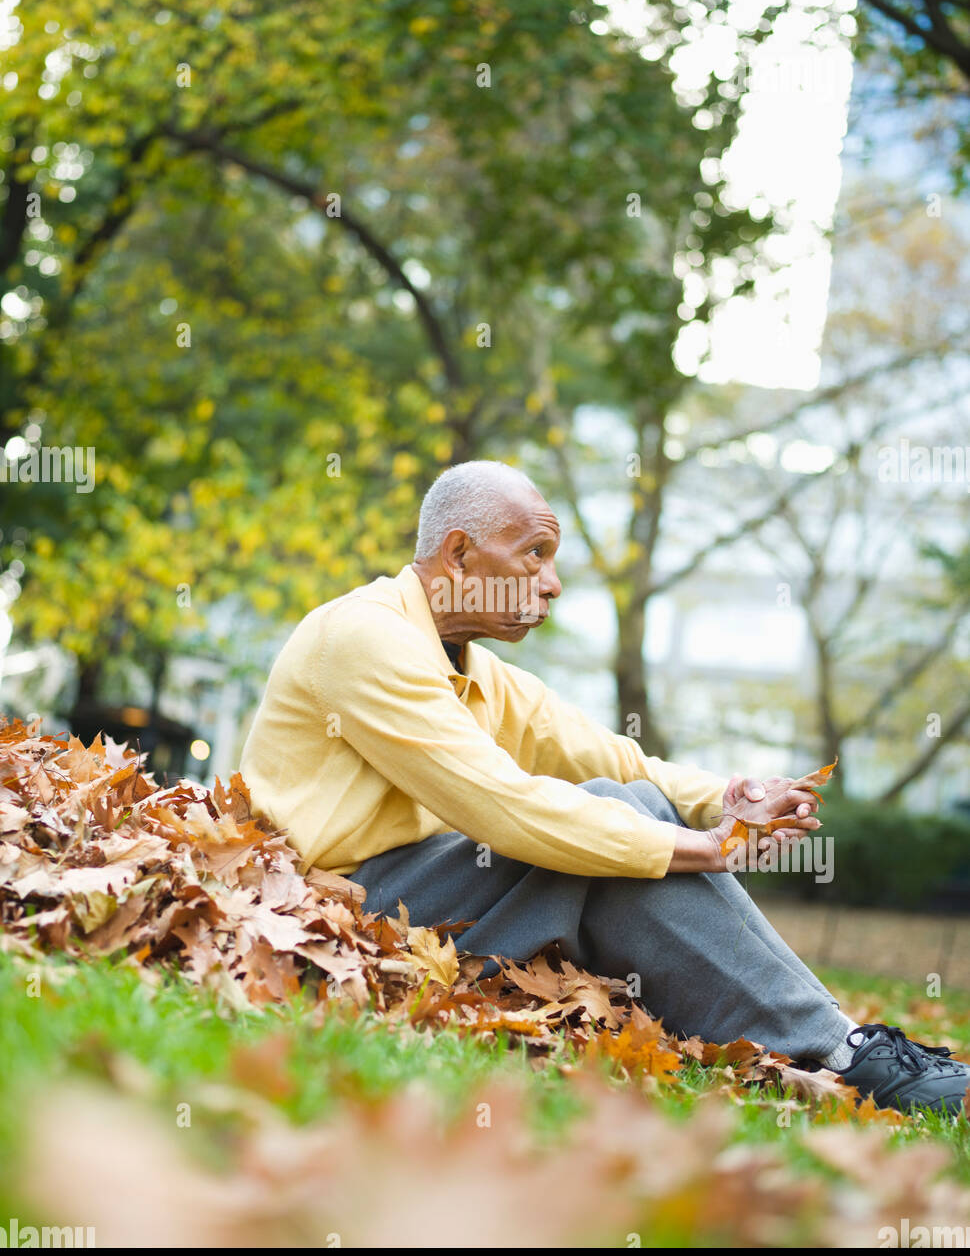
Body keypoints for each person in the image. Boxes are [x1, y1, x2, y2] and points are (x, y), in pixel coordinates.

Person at [240, 460, 969, 1117]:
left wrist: (728, 801)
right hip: (331, 920)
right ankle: (843, 1051)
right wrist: (699, 848)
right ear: (460, 554)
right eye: (535, 553)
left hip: (420, 903)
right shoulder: (366, 636)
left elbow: (617, 760)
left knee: (627, 803)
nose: (552, 583)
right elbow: (505, 808)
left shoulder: (474, 670)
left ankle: (839, 1041)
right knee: (620, 825)